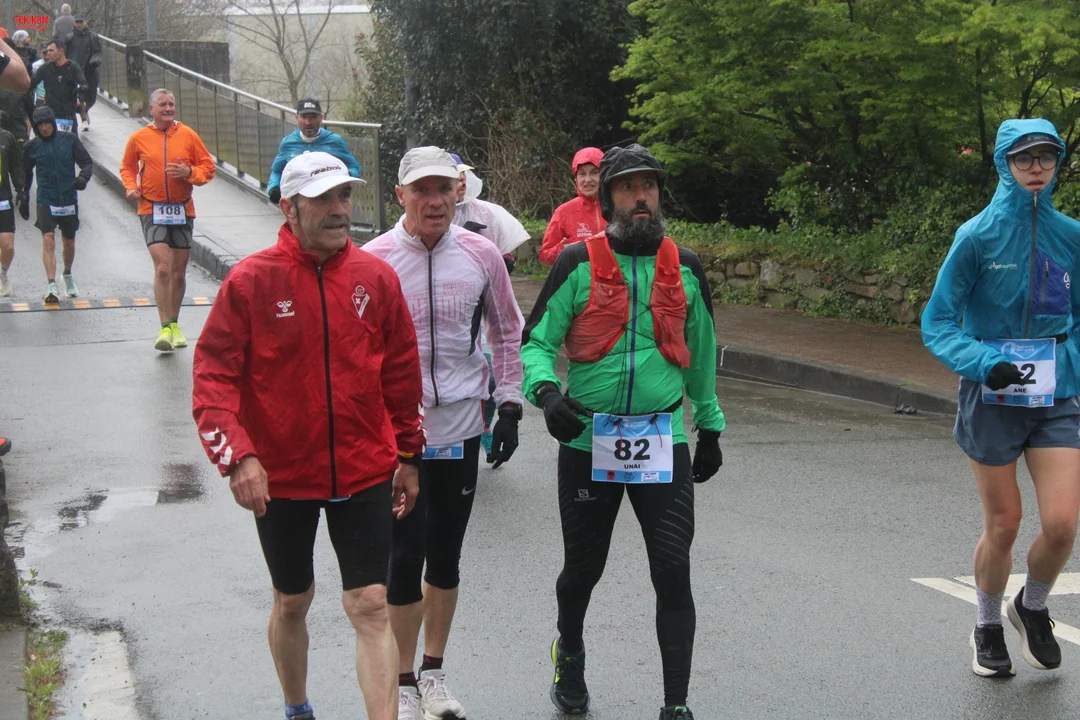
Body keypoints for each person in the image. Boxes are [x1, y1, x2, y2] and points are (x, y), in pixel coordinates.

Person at [193, 150, 424, 720]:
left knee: (370, 602)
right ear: (289, 208)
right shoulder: (251, 281)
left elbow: (400, 371)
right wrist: (238, 457)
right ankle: (297, 707)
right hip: (282, 475)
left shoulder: (376, 277)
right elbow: (213, 376)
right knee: (293, 600)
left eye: (344, 195)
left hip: (363, 466)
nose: (339, 209)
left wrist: (409, 454)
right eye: (323, 199)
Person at [520, 144, 724, 720]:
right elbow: (536, 343)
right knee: (583, 570)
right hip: (590, 440)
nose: (641, 197)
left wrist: (709, 427)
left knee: (673, 568)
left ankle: (676, 703)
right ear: (608, 198)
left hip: (662, 439)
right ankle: (570, 653)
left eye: (649, 186)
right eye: (628, 187)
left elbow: (702, 352)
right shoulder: (576, 263)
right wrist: (547, 394)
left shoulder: (686, 266)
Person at [361, 146, 524, 720]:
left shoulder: (482, 254)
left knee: (447, 554)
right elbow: (355, 351)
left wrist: (510, 403)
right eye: (421, 190)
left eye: (443, 189)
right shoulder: (374, 261)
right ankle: (402, 681)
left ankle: (433, 673)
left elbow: (507, 331)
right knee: (404, 555)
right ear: (400, 196)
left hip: (460, 423)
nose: (434, 201)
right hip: (395, 431)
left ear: (459, 192)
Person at [922, 119, 1080, 679]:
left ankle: (1031, 607)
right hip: (991, 396)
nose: (1036, 167)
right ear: (1004, 165)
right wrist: (986, 363)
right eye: (1024, 158)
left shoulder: (1072, 235)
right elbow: (938, 322)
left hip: (1056, 396)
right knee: (1005, 523)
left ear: (1057, 164)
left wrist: (1071, 362)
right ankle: (986, 624)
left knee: (1062, 524)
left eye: (1046, 157)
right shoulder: (976, 237)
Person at [448, 151, 530, 462]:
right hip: (451, 310)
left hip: (486, 305)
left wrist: (502, 263)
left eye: (462, 178)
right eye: (452, 179)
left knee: (492, 372)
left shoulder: (487, 213)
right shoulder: (427, 216)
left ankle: (484, 425)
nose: (459, 184)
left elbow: (506, 253)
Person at [119, 88, 215, 352]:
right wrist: (131, 187)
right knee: (163, 268)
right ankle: (163, 328)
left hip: (182, 209)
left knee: (179, 273)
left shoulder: (188, 135)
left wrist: (189, 172)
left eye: (171, 104)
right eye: (162, 104)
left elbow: (208, 168)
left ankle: (174, 323)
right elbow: (127, 167)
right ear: (152, 109)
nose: (168, 108)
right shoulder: (139, 138)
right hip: (151, 208)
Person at [21, 105, 91, 302]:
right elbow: (25, 174)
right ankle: (51, 284)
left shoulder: (69, 140)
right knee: (48, 239)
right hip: (46, 198)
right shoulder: (32, 147)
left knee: (69, 242)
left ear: (52, 122)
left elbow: (86, 162)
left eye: (47, 123)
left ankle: (67, 274)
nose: (44, 128)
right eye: (40, 125)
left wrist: (83, 178)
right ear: (36, 127)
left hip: (68, 198)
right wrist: (23, 196)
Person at [266, 98, 361, 205]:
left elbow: (354, 167)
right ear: (297, 118)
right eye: (304, 117)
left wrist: (345, 175)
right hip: (298, 204)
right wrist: (274, 188)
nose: (308, 122)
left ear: (321, 118)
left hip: (328, 201)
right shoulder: (288, 143)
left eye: (313, 117)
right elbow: (277, 171)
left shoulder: (334, 141)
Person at [538, 147, 605, 266]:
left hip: (616, 276)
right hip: (578, 277)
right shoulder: (563, 212)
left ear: (604, 175)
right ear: (576, 179)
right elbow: (545, 255)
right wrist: (562, 249)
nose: (588, 179)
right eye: (582, 174)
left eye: (594, 172)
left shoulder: (618, 207)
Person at [29, 41, 86, 136]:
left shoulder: (72, 67)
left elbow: (84, 84)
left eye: (51, 50)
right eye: (47, 51)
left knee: (71, 142)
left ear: (61, 51)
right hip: (51, 114)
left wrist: (77, 92)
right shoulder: (45, 68)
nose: (48, 54)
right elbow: (31, 84)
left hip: (68, 114)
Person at [0, 118, 25, 297]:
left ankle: (2, 274)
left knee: (8, 246)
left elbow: (16, 166)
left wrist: (21, 190)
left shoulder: (6, 137)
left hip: (3, 199)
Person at [65, 15, 101, 131]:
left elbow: (98, 52)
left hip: (90, 71)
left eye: (81, 22)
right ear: (74, 23)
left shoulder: (93, 37)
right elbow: (66, 54)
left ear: (85, 22)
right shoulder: (70, 38)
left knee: (92, 98)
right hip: (76, 71)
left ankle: (85, 110)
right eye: (77, 22)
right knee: (81, 97)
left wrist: (95, 60)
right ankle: (84, 119)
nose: (79, 24)